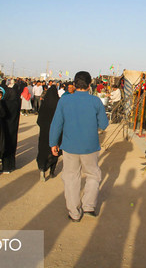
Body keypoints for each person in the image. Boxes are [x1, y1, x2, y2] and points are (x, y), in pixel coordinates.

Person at [49, 71, 108, 222]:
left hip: (69, 146)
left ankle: (74, 212)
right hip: (90, 146)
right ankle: (88, 206)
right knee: (93, 175)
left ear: (74, 85)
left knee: (70, 178)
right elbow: (104, 124)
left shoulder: (64, 101)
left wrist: (53, 143)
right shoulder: (95, 101)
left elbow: (56, 124)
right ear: (89, 85)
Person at [37, 85, 60, 182]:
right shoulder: (58, 103)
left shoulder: (44, 104)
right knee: (54, 151)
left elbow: (39, 120)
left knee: (43, 151)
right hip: (55, 132)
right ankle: (52, 172)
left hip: (44, 132)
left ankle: (42, 169)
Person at [0, 84, 20, 174]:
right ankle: (12, 165)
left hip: (6, 128)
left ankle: (6, 167)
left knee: (5, 147)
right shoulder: (16, 102)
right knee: (12, 146)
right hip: (13, 128)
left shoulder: (5, 103)